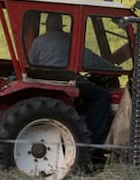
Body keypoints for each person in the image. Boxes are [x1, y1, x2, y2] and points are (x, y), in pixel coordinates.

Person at [27, 12, 112, 146]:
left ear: (47, 26)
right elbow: (90, 59)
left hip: (44, 82)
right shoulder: (70, 40)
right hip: (67, 81)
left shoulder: (38, 41)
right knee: (101, 96)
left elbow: (30, 64)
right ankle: (95, 141)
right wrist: (112, 68)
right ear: (61, 25)